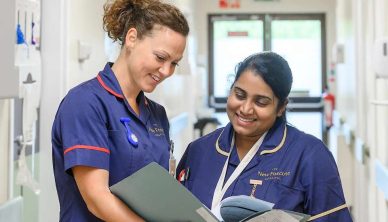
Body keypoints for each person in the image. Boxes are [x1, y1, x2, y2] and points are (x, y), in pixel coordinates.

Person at [51, 0, 189, 221]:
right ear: (132, 38)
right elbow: (97, 200)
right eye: (161, 57)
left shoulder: (157, 115)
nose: (166, 71)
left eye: (174, 63)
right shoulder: (85, 102)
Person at [177, 52, 353, 221]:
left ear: (281, 107)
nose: (245, 109)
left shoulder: (310, 155)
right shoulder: (198, 150)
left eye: (260, 102)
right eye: (239, 94)